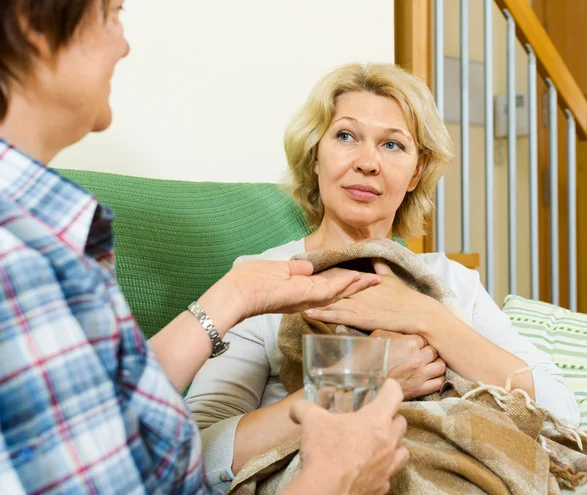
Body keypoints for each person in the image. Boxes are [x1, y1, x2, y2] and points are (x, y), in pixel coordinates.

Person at [0, 1, 410, 494]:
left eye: (393, 145)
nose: (124, 44)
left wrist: (233, 295)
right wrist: (333, 479)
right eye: (111, 14)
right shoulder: (18, 256)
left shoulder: (55, 231)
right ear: (32, 25)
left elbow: (97, 405)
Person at [185, 62, 581, 490]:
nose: (368, 162)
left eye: (393, 145)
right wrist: (360, 379)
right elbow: (196, 454)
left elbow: (561, 411)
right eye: (345, 136)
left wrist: (426, 317)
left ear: (417, 171)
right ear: (314, 154)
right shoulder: (262, 281)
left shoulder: (452, 280)